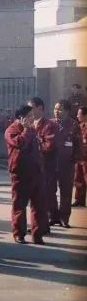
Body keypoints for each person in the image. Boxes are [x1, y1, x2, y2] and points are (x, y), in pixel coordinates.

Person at [5, 104, 46, 244]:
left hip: (36, 172)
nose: (31, 119)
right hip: (20, 173)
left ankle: (38, 234)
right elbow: (19, 143)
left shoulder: (33, 130)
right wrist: (27, 130)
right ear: (20, 118)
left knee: (38, 205)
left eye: (32, 117)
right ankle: (19, 233)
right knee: (19, 205)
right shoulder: (11, 130)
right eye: (28, 117)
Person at [50, 100, 83, 228]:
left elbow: (78, 145)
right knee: (49, 190)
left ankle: (64, 218)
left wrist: (74, 159)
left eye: (60, 109)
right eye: (55, 108)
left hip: (67, 164)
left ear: (67, 111)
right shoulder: (49, 123)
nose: (56, 111)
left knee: (66, 192)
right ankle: (53, 216)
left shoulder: (74, 125)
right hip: (51, 164)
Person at [29, 97, 57, 235]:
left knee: (43, 197)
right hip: (32, 167)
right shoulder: (29, 123)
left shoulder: (48, 125)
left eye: (32, 107)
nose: (30, 110)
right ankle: (38, 226)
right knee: (35, 199)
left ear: (41, 108)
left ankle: (43, 227)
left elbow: (48, 146)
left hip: (45, 166)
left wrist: (35, 144)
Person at [75, 106, 87, 207]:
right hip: (79, 157)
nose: (77, 116)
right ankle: (79, 200)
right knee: (78, 178)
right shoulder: (80, 126)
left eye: (79, 114)